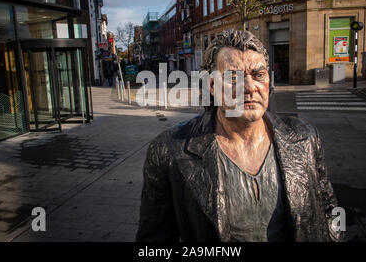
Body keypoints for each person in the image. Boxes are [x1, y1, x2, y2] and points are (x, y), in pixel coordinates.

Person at [136, 30, 343, 242]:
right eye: (233, 77)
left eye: (258, 75)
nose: (250, 88)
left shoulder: (305, 138)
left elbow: (330, 209)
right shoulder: (168, 152)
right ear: (212, 86)